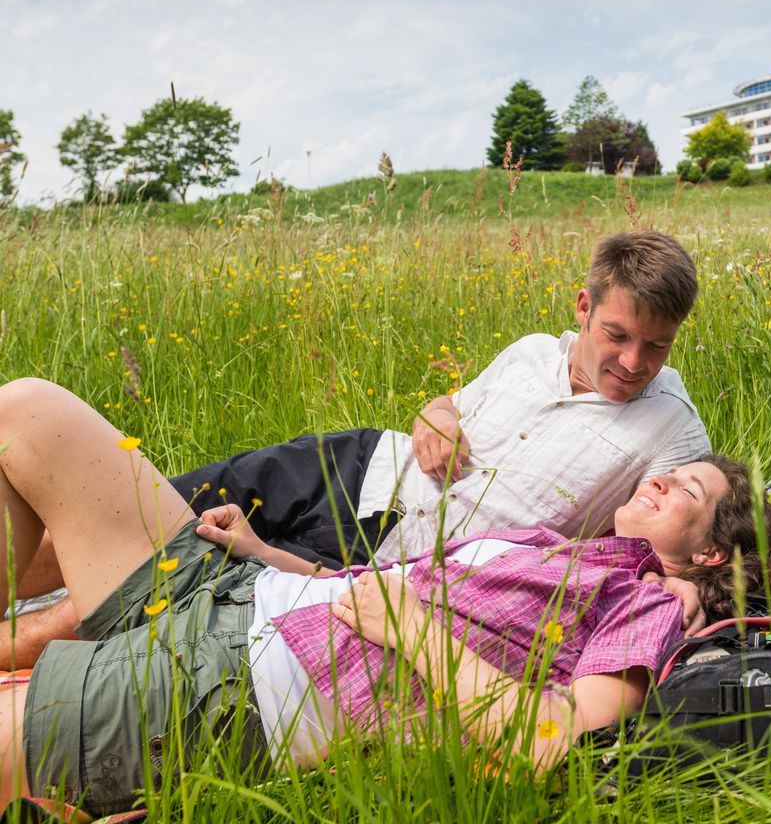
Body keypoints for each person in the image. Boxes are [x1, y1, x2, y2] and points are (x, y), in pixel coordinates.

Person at [0, 379, 771, 817]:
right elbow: (374, 586)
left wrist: (415, 630)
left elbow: (549, 741)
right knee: (28, 411)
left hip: (231, 689)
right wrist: (262, 550)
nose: (658, 476)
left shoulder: (647, 611)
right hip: (237, 587)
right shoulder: (569, 548)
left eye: (685, 485)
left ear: (709, 551)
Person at [2, 230, 712, 667]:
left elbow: (699, 515)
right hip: (357, 466)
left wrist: (685, 583)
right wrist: (434, 413)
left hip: (381, 561)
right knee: (134, 504)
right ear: (583, 309)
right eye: (618, 335)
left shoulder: (669, 424)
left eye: (656, 345)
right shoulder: (532, 351)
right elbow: (448, 408)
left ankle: (23, 647)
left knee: (157, 570)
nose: (633, 361)